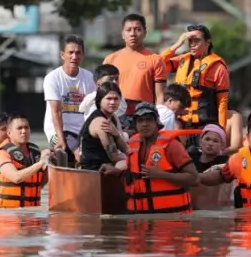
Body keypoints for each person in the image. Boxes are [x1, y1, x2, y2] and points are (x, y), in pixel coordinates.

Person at [101, 103, 199, 214]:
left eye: (149, 120)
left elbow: (194, 179)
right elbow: (134, 179)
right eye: (140, 120)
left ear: (157, 122)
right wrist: (116, 172)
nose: (144, 124)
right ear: (135, 124)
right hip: (140, 217)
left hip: (172, 218)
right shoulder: (133, 145)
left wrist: (162, 175)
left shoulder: (172, 145)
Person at [159, 23, 230, 130]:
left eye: (196, 41)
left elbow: (222, 102)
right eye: (190, 41)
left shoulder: (218, 68)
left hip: (204, 124)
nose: (192, 44)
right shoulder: (182, 60)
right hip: (180, 121)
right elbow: (158, 64)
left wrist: (221, 130)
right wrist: (178, 43)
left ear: (207, 42)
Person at [43, 35, 97, 165]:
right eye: (70, 52)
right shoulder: (53, 78)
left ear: (83, 55)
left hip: (82, 130)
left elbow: (93, 109)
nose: (74, 56)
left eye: (78, 53)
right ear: (62, 55)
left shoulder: (89, 77)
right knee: (70, 154)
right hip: (59, 130)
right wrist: (62, 140)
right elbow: (56, 111)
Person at [103, 14, 167, 113]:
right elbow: (102, 92)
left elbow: (160, 95)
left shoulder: (156, 60)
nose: (133, 33)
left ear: (145, 33)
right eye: (128, 30)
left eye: (137, 29)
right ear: (123, 34)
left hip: (144, 114)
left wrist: (160, 116)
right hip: (116, 113)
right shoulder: (110, 60)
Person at [0, 113, 52, 208]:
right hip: (7, 215)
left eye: (26, 128)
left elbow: (41, 184)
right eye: (19, 128)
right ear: (9, 133)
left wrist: (49, 164)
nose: (24, 131)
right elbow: (16, 177)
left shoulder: (34, 152)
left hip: (32, 213)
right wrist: (41, 163)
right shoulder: (2, 153)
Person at [78, 82, 130, 171]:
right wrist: (135, 160)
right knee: (128, 164)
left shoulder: (113, 117)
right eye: (109, 99)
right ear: (99, 100)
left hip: (106, 165)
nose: (113, 102)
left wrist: (117, 135)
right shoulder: (101, 122)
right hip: (94, 170)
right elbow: (114, 156)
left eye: (116, 99)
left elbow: (125, 149)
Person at [191, 124, 232, 210]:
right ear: (200, 141)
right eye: (207, 139)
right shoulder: (190, 156)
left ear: (222, 146)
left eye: (215, 141)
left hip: (214, 207)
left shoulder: (225, 161)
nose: (210, 144)